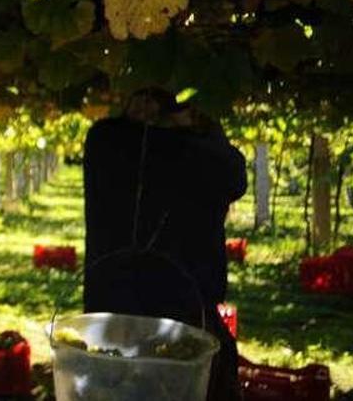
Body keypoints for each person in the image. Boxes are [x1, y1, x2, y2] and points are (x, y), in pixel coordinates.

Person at [83, 88, 247, 401]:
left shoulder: (107, 140)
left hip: (113, 318)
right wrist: (194, 126)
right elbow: (233, 174)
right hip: (179, 315)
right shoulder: (199, 155)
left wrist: (155, 120)